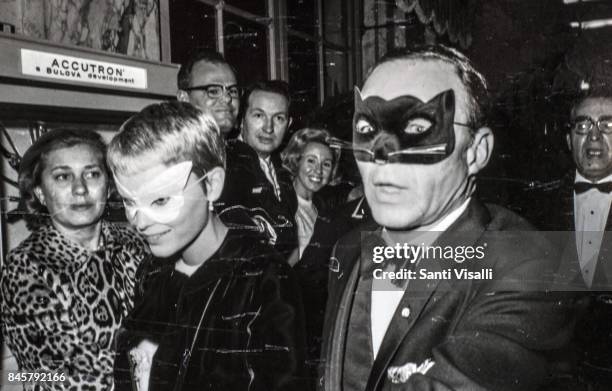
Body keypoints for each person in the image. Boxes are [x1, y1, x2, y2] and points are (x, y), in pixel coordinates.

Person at [319, 44, 576, 391]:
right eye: (366, 126)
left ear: (476, 152)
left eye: (417, 126)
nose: (382, 153)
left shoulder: (530, 266)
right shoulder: (348, 249)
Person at [108, 101, 306, 391]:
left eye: (160, 200)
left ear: (211, 185)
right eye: (129, 202)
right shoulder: (151, 273)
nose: (140, 222)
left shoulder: (265, 280)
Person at [0, 129, 149, 390]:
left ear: (109, 184)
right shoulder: (26, 267)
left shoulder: (135, 243)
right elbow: (58, 377)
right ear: (40, 192)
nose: (80, 189)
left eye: (92, 174)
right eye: (62, 176)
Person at [218, 80, 298, 259]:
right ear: (241, 119)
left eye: (279, 118)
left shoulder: (283, 172)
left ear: (289, 123)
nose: (268, 128)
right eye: (258, 116)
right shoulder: (225, 165)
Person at [177, 49, 240, 137]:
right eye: (213, 91)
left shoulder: (244, 150)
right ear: (184, 99)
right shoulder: (166, 148)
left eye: (232, 91)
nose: (227, 98)